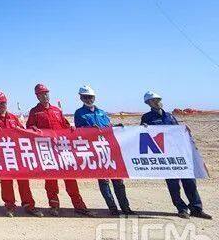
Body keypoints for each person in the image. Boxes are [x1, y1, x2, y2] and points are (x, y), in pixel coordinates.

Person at [141, 91, 212, 220]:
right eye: (153, 100)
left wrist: (185, 128)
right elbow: (142, 134)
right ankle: (182, 208)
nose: (157, 101)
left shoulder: (170, 116)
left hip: (178, 153)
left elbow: (178, 132)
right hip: (165, 157)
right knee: (173, 184)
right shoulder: (147, 118)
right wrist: (144, 128)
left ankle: (196, 208)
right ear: (148, 103)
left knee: (190, 181)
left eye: (158, 99)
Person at [27, 83, 92, 217]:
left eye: (46, 93)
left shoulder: (57, 110)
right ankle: (54, 205)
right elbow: (29, 128)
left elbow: (65, 125)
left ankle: (79, 205)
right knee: (51, 180)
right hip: (48, 151)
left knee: (70, 178)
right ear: (37, 96)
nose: (44, 96)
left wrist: (71, 129)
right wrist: (32, 129)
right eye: (41, 94)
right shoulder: (34, 112)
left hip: (62, 150)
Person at [74, 85, 134, 216]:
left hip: (109, 150)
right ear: (81, 98)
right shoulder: (79, 113)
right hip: (96, 152)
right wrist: (89, 129)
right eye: (86, 97)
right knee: (104, 182)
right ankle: (113, 208)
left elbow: (108, 127)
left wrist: (117, 127)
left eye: (91, 97)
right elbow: (79, 131)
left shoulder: (101, 112)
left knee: (118, 181)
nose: (89, 99)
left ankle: (126, 208)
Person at [0, 92, 43, 217]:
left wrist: (32, 130)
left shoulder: (13, 118)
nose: (2, 105)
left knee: (23, 180)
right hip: (2, 155)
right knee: (6, 181)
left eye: (4, 102)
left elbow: (23, 132)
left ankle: (29, 205)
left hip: (16, 155)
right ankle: (9, 206)